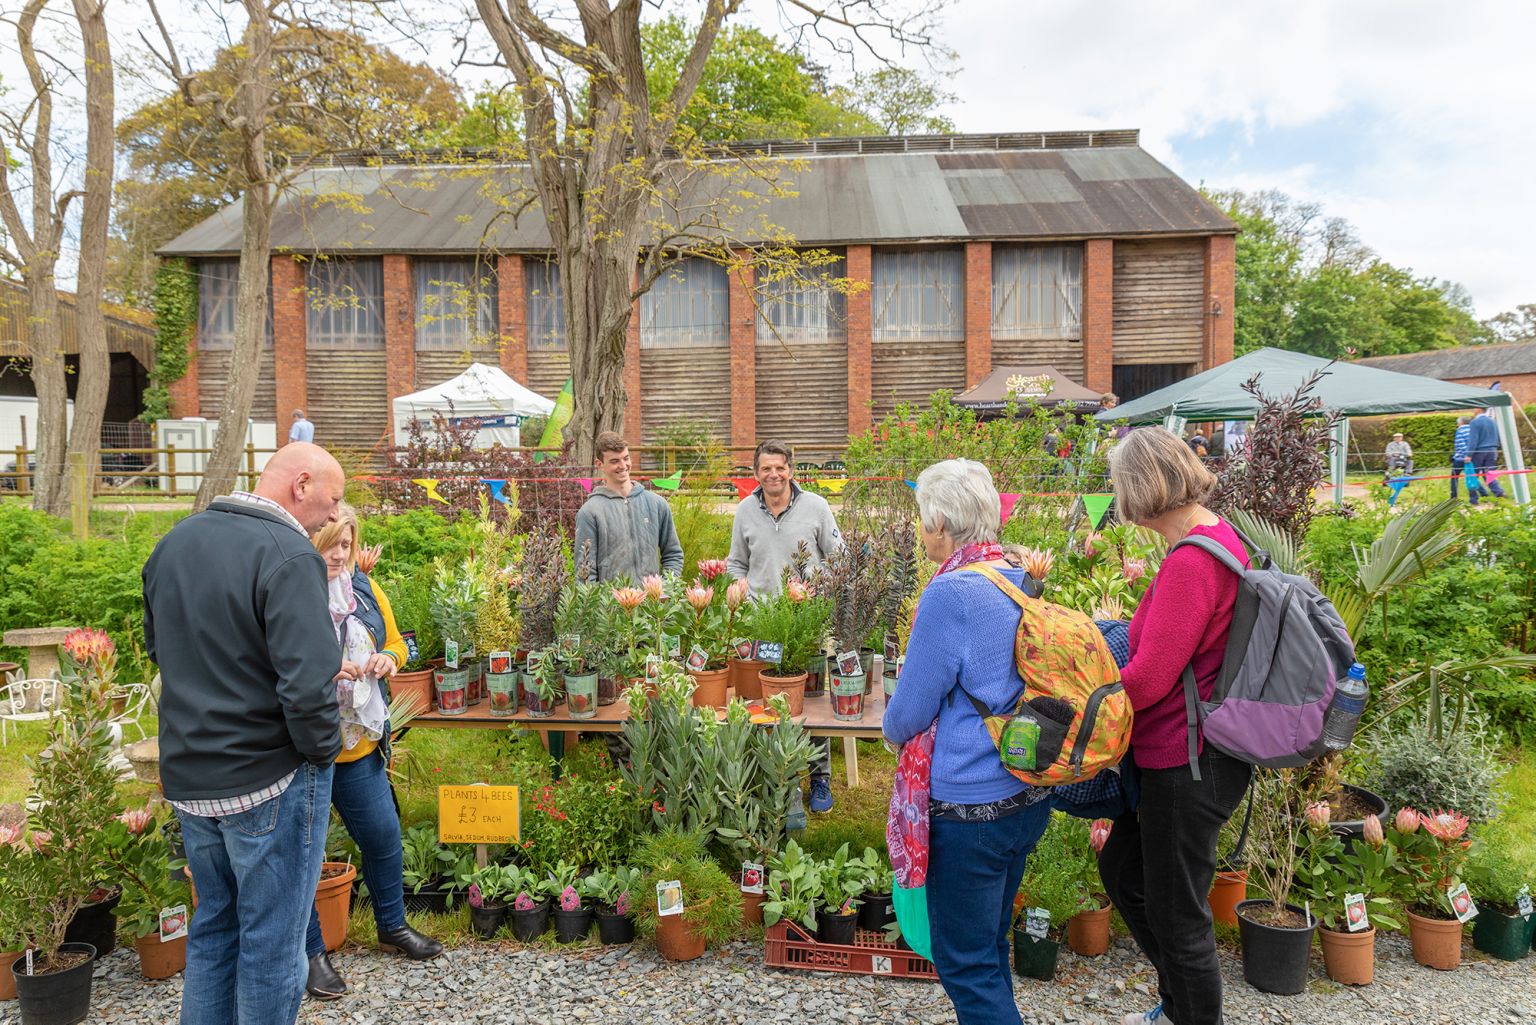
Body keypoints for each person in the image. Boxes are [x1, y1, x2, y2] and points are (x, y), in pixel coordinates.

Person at [142, 442, 346, 1025]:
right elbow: (308, 687)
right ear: (300, 485)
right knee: (273, 943)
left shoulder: (173, 543)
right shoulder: (288, 554)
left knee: (214, 927)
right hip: (269, 778)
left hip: (191, 776)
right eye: (332, 500)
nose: (334, 516)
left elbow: (163, 651)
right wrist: (323, 754)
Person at [883, 458, 1052, 1025]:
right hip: (1025, 793)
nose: (919, 530)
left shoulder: (951, 593)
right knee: (989, 945)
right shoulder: (1014, 572)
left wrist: (889, 731)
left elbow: (908, 711)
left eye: (921, 519)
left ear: (940, 522)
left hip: (969, 808)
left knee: (965, 964)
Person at [1096, 428, 1253, 1025]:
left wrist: (1091, 701)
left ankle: (1188, 1012)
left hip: (1186, 761)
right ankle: (1177, 1002)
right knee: (1125, 872)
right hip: (1191, 753)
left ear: (1140, 488)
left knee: (1179, 916)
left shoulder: (1191, 562)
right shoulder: (1211, 536)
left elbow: (1150, 679)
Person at [304, 504, 443, 1000]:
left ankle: (392, 924)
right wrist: (326, 669)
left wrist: (388, 658)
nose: (340, 554)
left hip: (358, 744)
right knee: (305, 856)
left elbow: (399, 640)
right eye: (331, 544)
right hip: (307, 752)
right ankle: (311, 953)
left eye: (347, 543)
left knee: (384, 838)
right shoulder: (292, 590)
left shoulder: (363, 586)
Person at [726, 440, 843, 812]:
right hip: (764, 627)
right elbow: (735, 565)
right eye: (765, 469)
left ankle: (819, 776)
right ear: (755, 472)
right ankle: (783, 779)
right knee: (772, 701)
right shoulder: (745, 511)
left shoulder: (817, 508)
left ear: (791, 469)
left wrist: (813, 594)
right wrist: (742, 594)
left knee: (812, 701)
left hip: (807, 623)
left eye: (779, 467)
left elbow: (839, 562)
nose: (773, 475)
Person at [573, 431, 684, 582]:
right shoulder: (590, 512)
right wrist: (597, 605)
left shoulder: (657, 504)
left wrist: (665, 590)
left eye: (626, 458)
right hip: (611, 604)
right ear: (599, 464)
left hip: (651, 603)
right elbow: (584, 572)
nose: (623, 466)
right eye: (614, 461)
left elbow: (673, 554)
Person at [1467, 407, 1507, 501]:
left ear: (1479, 409)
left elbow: (1473, 440)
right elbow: (1498, 436)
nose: (1473, 410)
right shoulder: (1493, 421)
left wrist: (1468, 454)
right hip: (1492, 450)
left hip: (1479, 451)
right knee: (1490, 474)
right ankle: (1499, 492)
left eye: (1475, 408)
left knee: (1472, 474)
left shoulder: (1475, 422)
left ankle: (1473, 499)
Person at [1451, 416, 1486, 503]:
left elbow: (1461, 445)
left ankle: (1453, 497)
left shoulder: (1460, 431)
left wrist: (1464, 455)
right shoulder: (1473, 430)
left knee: (1454, 477)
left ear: (1461, 423)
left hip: (1460, 459)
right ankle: (1484, 494)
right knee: (1472, 476)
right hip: (1473, 457)